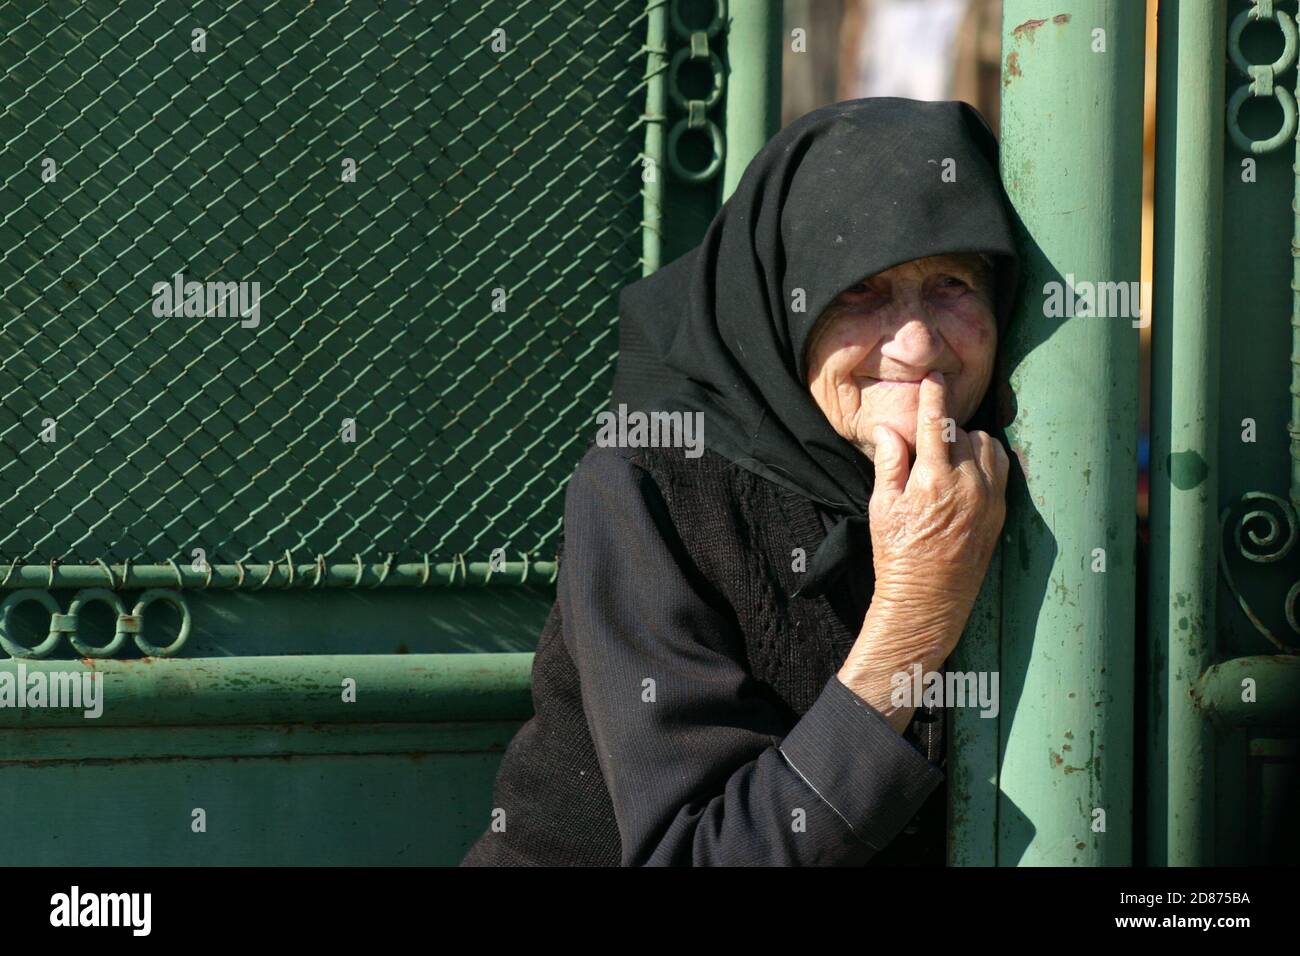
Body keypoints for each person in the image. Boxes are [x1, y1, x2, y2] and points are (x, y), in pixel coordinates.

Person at [462, 97, 1020, 866]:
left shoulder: (1026, 484)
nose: (916, 340)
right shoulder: (650, 490)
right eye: (858, 290)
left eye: (953, 282)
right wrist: (912, 622)